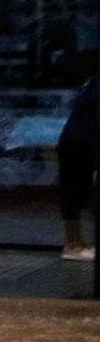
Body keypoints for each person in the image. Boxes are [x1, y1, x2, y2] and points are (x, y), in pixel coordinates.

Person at [60, 75, 96, 262]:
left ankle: (75, 242)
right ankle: (73, 244)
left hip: (81, 140)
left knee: (76, 193)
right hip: (79, 142)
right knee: (74, 193)